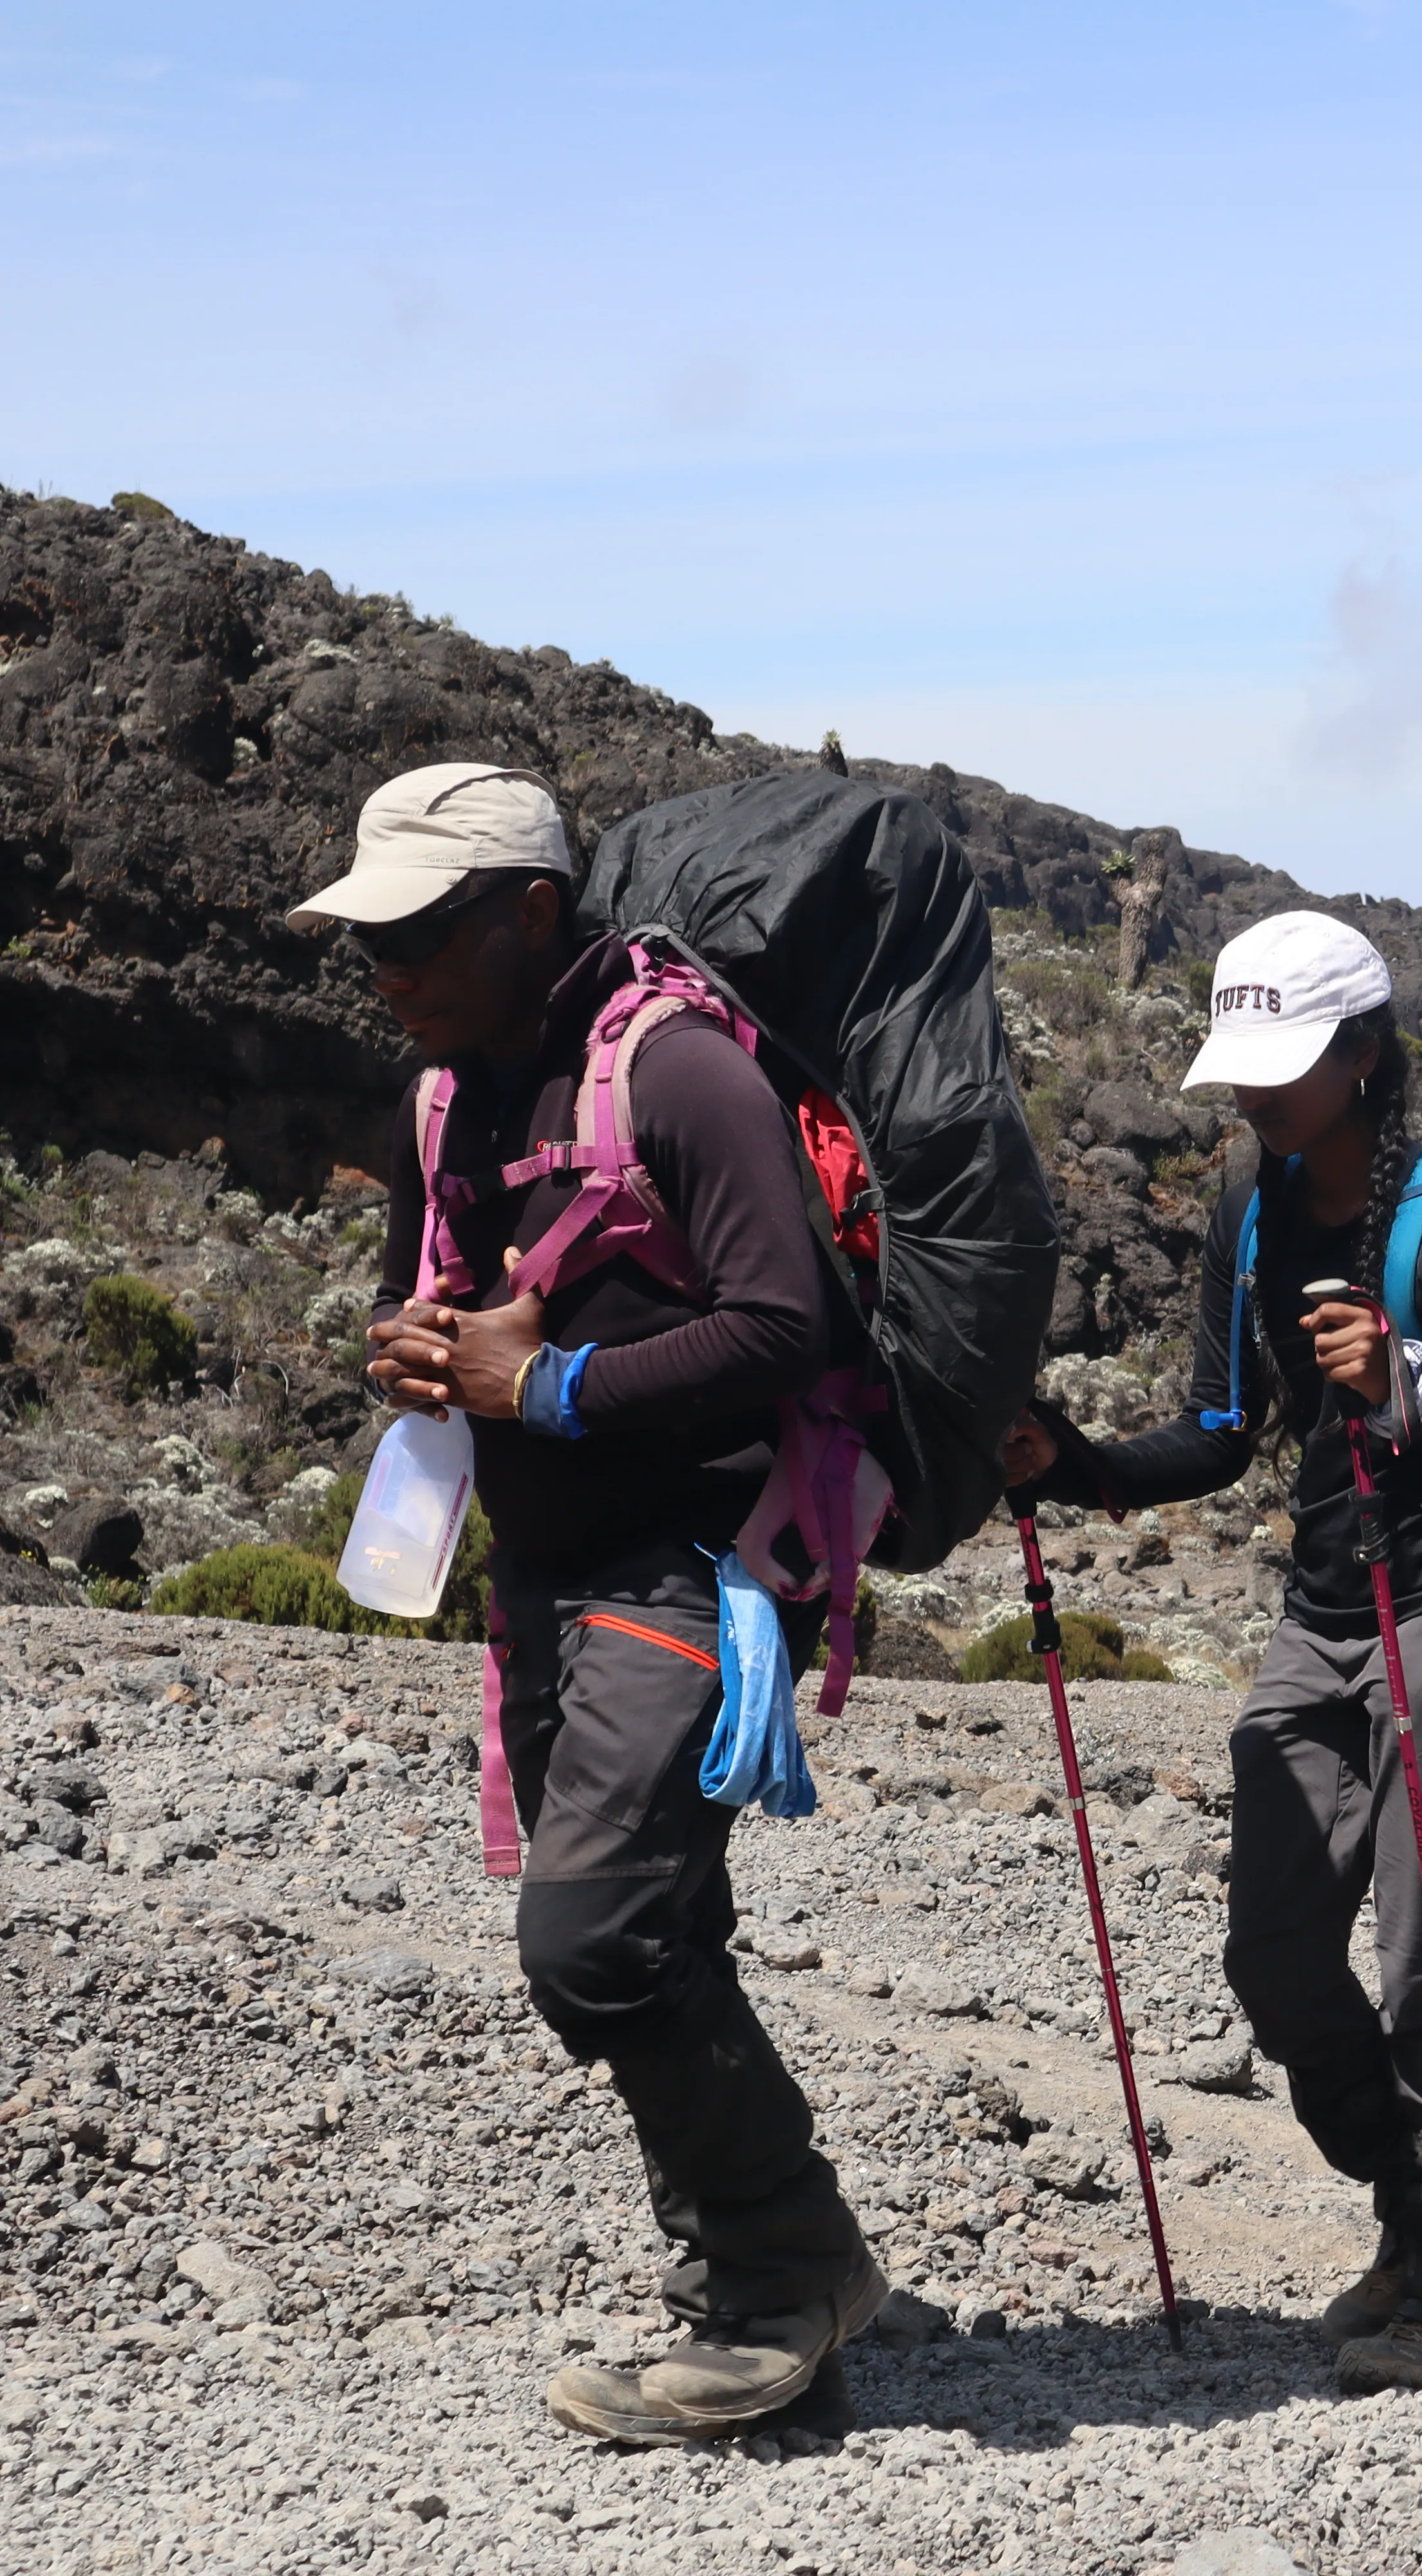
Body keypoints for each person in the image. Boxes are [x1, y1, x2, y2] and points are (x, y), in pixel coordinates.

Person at [309, 762, 884, 2443]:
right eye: (372, 936)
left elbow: (794, 1328)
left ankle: (793, 2270)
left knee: (594, 1942)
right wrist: (420, 1348)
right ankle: (752, 2310)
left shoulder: (681, 1074)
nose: (384, 967)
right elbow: (446, 1297)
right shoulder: (443, 1099)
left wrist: (547, 1387)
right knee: (660, 1931)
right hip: (544, 1576)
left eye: (416, 931)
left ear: (530, 911)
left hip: (695, 1568)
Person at [1003, 911, 1422, 2390]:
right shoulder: (1252, 1202)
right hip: (1327, 1608)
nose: (1249, 1094)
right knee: (1272, 1957)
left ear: (1365, 1053)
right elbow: (1217, 1431)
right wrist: (1068, 1463)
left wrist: (1410, 1383)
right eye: (1241, 1065)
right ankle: (1417, 2213)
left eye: (1283, 1062)